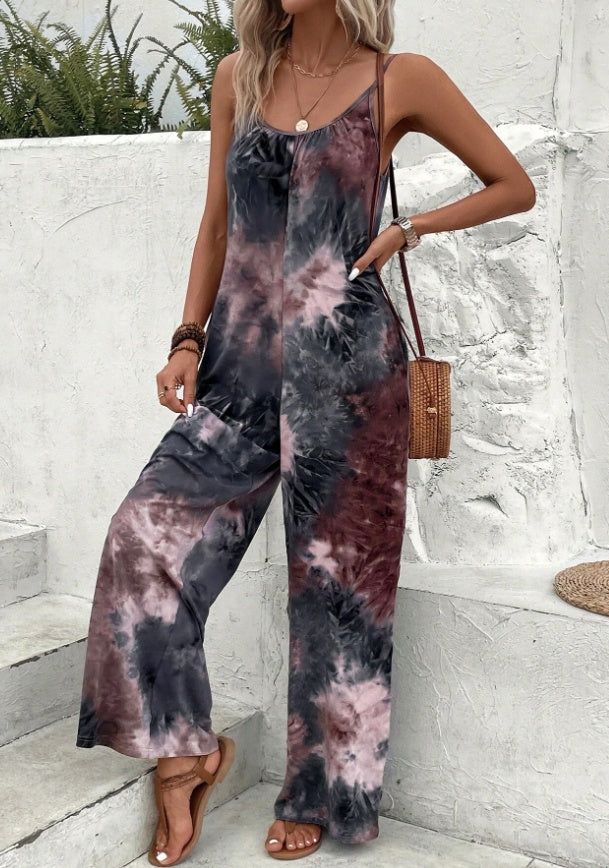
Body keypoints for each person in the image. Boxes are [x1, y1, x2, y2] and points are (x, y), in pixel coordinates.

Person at [75, 0, 536, 864]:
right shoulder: (238, 77)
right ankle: (184, 757)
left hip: (349, 374)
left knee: (338, 598)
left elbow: (512, 183)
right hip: (237, 371)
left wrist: (407, 231)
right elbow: (216, 226)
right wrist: (186, 338)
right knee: (143, 539)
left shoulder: (398, 79)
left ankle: (317, 797)